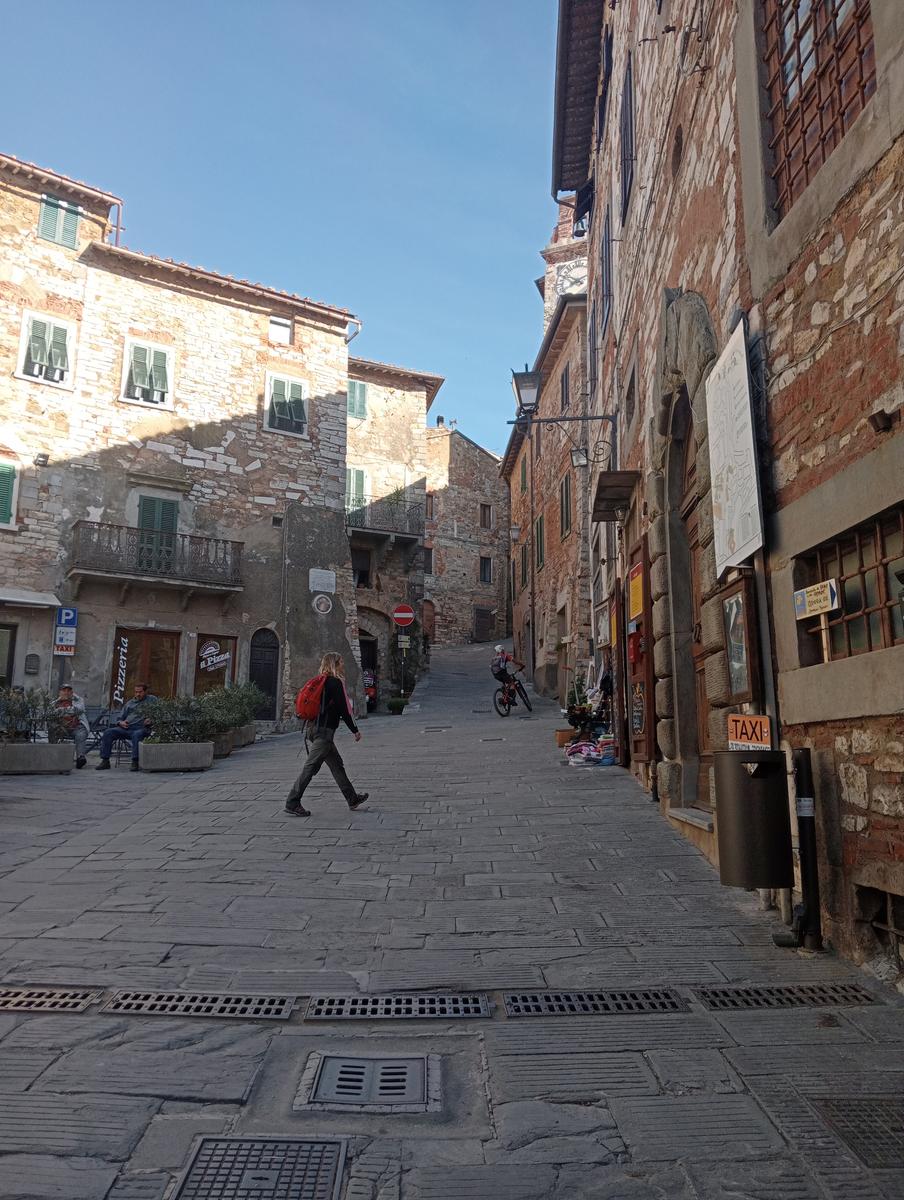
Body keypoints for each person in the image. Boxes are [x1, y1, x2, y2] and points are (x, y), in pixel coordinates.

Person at [284, 652, 368, 817]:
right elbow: (344, 710)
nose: (343, 664)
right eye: (341, 662)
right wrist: (355, 730)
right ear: (334, 664)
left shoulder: (320, 682)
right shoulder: (334, 683)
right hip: (324, 733)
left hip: (313, 729)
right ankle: (292, 802)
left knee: (337, 765)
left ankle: (352, 798)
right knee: (310, 767)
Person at [96, 682, 157, 772]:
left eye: (140, 692)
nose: (138, 694)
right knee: (108, 732)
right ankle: (105, 761)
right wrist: (121, 722)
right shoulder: (130, 703)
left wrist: (151, 720)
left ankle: (135, 762)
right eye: (136, 692)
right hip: (127, 728)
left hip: (142, 728)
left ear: (145, 692)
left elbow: (159, 712)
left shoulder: (152, 700)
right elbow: (120, 718)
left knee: (137, 734)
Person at [51, 684, 89, 768]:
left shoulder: (78, 700)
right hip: (61, 727)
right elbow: (50, 712)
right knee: (52, 729)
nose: (66, 693)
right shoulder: (55, 702)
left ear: (72, 692)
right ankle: (52, 755)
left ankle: (80, 758)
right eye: (64, 691)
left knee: (80, 734)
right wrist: (60, 708)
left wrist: (61, 710)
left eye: (68, 691)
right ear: (60, 692)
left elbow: (79, 709)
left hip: (76, 726)